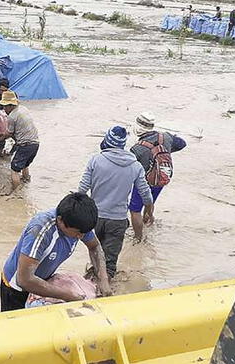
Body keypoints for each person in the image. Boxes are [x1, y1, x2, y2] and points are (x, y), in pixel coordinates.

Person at [0, 192, 112, 311]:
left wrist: (103, 279)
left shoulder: (80, 225)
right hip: (16, 289)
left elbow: (95, 247)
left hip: (42, 281)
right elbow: (24, 279)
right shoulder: (41, 230)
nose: (81, 236)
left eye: (84, 233)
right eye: (78, 233)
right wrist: (67, 295)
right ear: (60, 221)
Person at [78, 126, 154, 278]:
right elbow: (146, 194)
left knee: (95, 254)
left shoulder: (95, 160)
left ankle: (93, 284)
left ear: (107, 141)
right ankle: (107, 291)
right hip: (118, 220)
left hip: (95, 218)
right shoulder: (135, 166)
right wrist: (148, 211)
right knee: (110, 262)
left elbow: (82, 190)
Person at [129, 112, 186, 241]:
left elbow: (130, 170)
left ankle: (138, 239)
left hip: (144, 181)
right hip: (162, 177)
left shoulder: (136, 149)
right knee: (150, 202)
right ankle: (148, 223)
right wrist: (167, 150)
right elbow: (182, 143)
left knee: (135, 210)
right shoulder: (166, 137)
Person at [0, 90, 40, 195]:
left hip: (25, 145)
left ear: (11, 105)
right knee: (25, 164)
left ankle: (15, 193)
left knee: (14, 169)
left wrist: (0, 137)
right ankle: (26, 181)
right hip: (35, 143)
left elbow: (9, 133)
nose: (4, 109)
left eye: (5, 106)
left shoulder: (12, 116)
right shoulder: (23, 109)